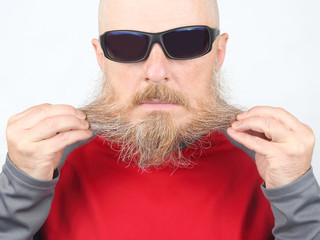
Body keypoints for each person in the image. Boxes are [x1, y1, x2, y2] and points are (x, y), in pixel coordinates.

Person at [1, 0, 320, 239]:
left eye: (186, 42)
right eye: (126, 45)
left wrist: (297, 198)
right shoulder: (47, 162)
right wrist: (19, 189)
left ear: (219, 52)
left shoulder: (271, 164)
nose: (156, 72)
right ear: (101, 57)